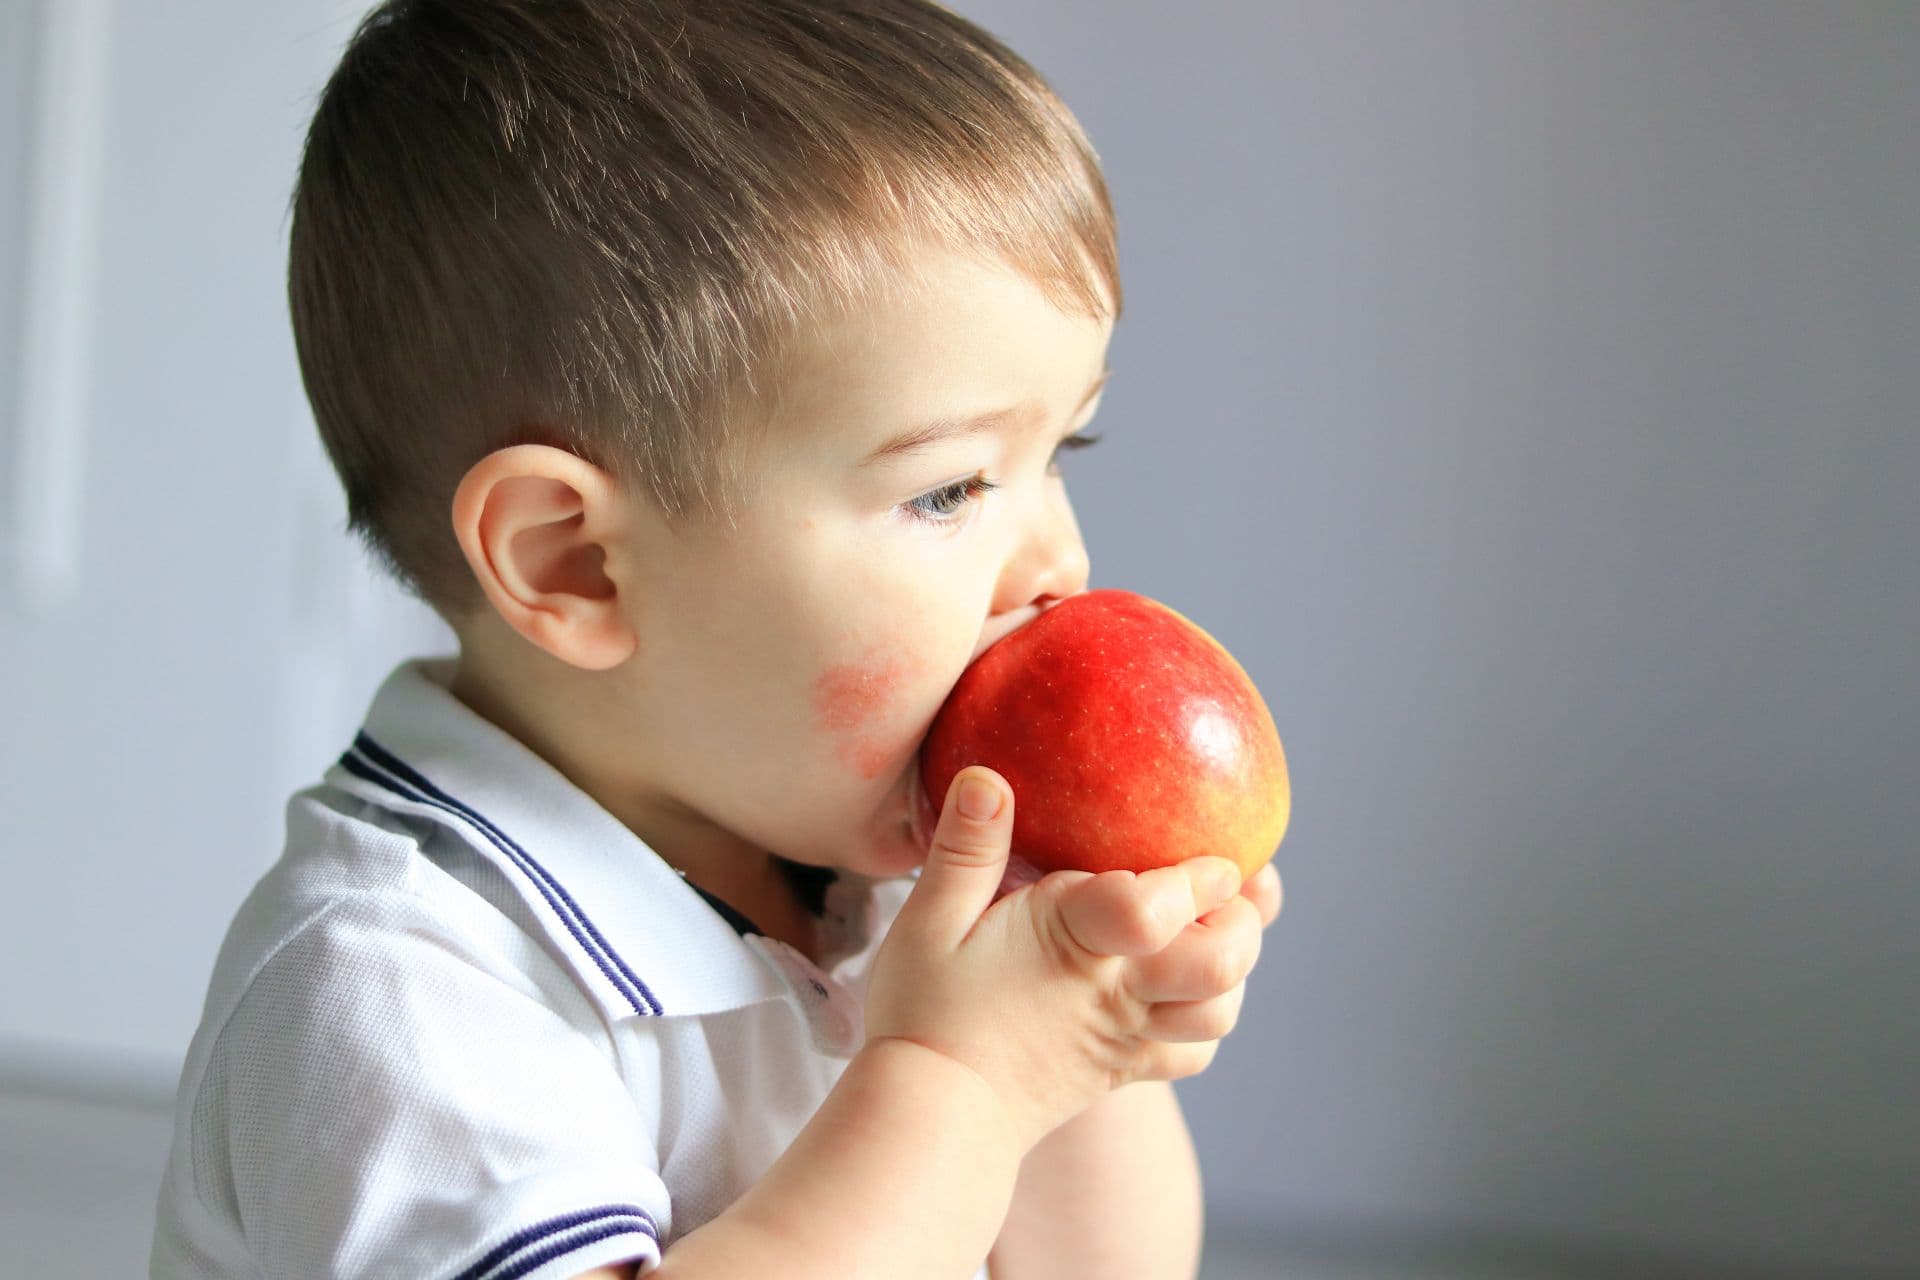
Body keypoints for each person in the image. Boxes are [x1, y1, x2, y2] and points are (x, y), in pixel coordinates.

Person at [150, 2, 1284, 1276]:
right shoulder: (389, 983)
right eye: (951, 488)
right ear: (577, 563)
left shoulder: (865, 873)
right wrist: (956, 1082)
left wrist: (1083, 1039)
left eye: (1061, 452)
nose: (1059, 563)